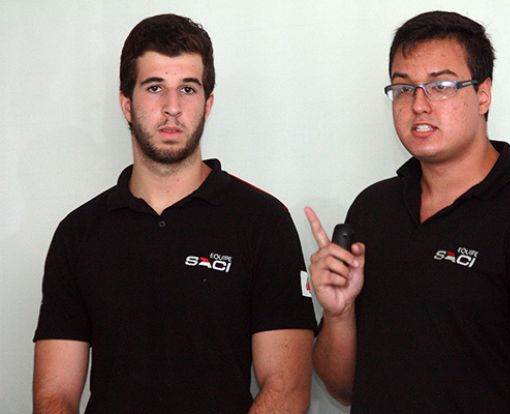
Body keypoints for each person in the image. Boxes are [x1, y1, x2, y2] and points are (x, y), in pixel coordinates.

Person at [305, 10, 510, 413]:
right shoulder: (372, 208)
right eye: (403, 88)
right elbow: (343, 388)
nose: (418, 105)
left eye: (441, 86)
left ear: (483, 94)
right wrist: (339, 313)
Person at [33, 14, 316, 414]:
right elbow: (53, 396)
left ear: (208, 103)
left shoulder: (263, 222)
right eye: (154, 88)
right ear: (126, 104)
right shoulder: (78, 233)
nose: (172, 107)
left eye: (187, 88)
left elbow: (287, 389)